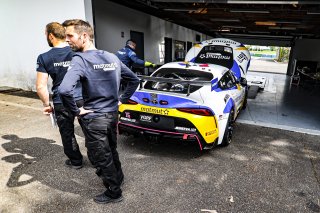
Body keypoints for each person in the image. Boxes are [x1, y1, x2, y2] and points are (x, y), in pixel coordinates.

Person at [59, 19, 140, 204]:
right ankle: (118, 178)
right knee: (111, 149)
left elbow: (64, 90)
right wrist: (121, 100)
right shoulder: (112, 57)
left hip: (95, 118)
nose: (67, 40)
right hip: (112, 115)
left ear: (84, 36)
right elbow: (134, 80)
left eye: (70, 36)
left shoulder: (80, 59)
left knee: (101, 156)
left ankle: (114, 192)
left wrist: (77, 111)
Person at [36, 22, 84, 170]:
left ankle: (76, 161)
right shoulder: (78, 51)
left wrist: (46, 105)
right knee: (90, 130)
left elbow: (40, 86)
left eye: (45, 34)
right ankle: (98, 160)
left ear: (51, 36)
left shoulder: (44, 57)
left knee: (67, 132)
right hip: (83, 98)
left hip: (61, 101)